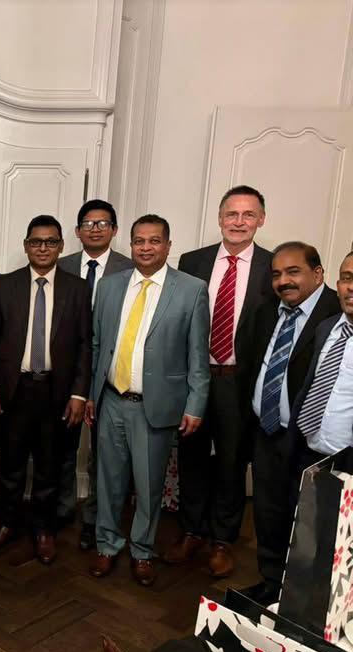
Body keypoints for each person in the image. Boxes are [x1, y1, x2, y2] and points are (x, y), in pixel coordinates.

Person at [87, 214, 210, 587]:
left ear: (168, 246)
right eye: (139, 241)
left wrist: (195, 404)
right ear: (130, 244)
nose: (145, 247)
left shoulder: (191, 290)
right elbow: (97, 345)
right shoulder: (109, 286)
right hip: (110, 400)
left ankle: (142, 550)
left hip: (154, 407)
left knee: (149, 485)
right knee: (107, 481)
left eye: (154, 241)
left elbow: (197, 356)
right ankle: (107, 545)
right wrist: (92, 395)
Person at [168, 186, 274, 578]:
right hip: (195, 379)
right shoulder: (192, 261)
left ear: (261, 219)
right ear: (219, 217)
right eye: (232, 213)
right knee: (191, 457)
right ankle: (191, 531)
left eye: (248, 214)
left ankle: (222, 540)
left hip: (239, 382)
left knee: (232, 460)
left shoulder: (272, 266)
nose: (239, 222)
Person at [0, 215, 92, 564]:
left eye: (50, 242)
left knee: (49, 465)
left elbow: (85, 345)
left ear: (61, 246)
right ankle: (7, 523)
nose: (43, 248)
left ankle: (44, 530)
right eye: (36, 242)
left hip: (56, 392)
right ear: (26, 245)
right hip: (15, 389)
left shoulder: (77, 288)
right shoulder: (6, 285)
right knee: (11, 463)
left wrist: (78, 394)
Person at [239, 242, 338, 606]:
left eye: (293, 272)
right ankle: (271, 584)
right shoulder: (268, 310)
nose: (284, 281)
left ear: (318, 273)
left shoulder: (336, 314)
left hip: (309, 441)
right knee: (268, 513)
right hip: (266, 432)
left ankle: (303, 602)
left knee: (311, 523)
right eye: (277, 274)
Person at [56, 199, 133, 550]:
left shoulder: (130, 269)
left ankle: (95, 519)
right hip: (66, 369)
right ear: (77, 231)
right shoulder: (61, 265)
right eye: (88, 223)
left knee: (104, 453)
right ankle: (62, 510)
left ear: (114, 230)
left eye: (103, 223)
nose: (95, 228)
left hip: (110, 370)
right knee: (63, 447)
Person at [286, 253, 353, 519]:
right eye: (346, 278)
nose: (351, 287)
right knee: (302, 529)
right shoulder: (327, 328)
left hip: (347, 462)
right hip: (307, 453)